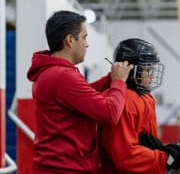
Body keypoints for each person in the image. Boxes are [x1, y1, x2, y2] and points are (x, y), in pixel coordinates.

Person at [27, 10, 133, 173]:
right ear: (70, 40)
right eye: (84, 37)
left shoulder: (52, 73)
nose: (87, 44)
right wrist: (119, 82)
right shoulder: (62, 76)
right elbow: (111, 113)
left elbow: (84, 94)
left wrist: (111, 78)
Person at [97, 38, 180, 174]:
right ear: (132, 71)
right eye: (148, 71)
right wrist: (163, 158)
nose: (151, 77)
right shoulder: (123, 101)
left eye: (153, 70)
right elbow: (124, 155)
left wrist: (160, 150)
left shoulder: (146, 97)